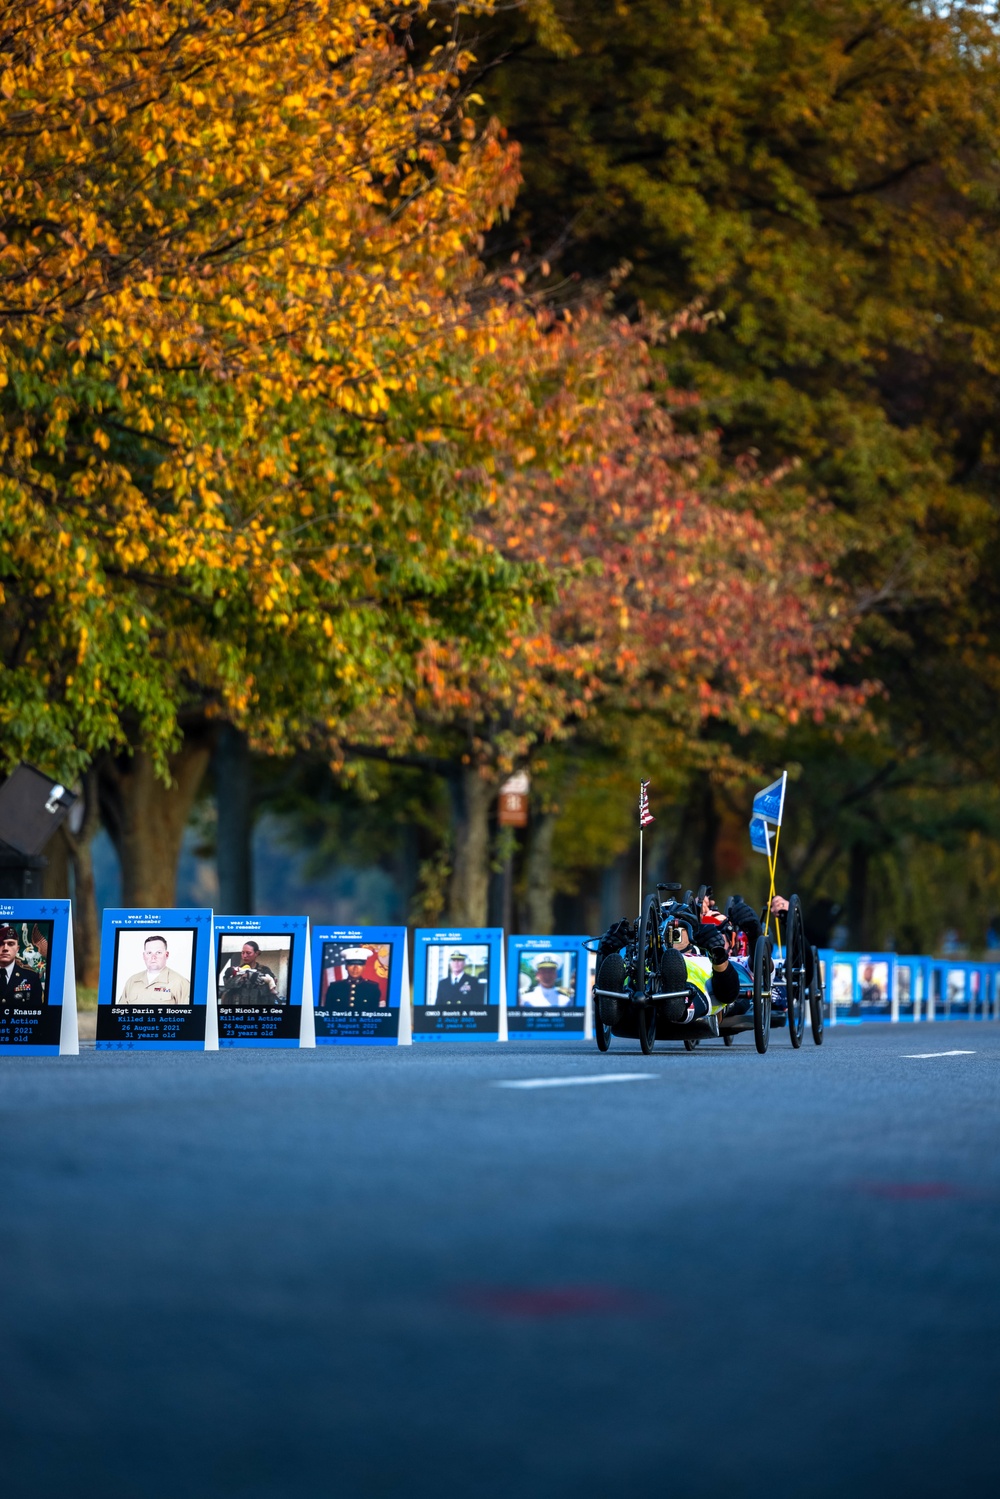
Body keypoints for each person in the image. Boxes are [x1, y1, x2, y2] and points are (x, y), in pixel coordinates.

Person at [117, 934, 190, 1005]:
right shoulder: (132, 981)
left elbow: (188, 1015)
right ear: (144, 956)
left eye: (158, 952)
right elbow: (119, 1012)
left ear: (166, 955)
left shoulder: (180, 982)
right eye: (149, 953)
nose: (153, 957)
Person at [220, 940, 283, 1005]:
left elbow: (271, 986)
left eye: (248, 953)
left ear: (256, 953)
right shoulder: (237, 971)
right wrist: (242, 978)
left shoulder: (264, 970)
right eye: (243, 953)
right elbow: (227, 985)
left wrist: (257, 979)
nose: (244, 956)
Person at [0, 925, 43, 1007]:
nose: (5, 948)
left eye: (10, 944)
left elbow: (38, 1015)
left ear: (17, 949)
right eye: (1, 943)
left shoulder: (32, 978)